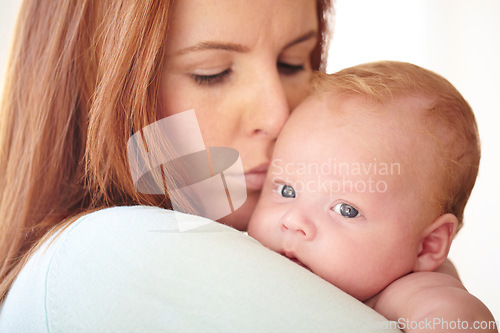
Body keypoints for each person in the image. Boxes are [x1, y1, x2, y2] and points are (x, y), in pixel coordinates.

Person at [0, 0, 407, 331]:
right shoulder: (114, 250)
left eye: (293, 63)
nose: (279, 115)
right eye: (211, 74)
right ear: (92, 87)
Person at [248, 61, 497, 332]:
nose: (293, 219)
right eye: (287, 190)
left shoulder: (409, 292)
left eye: (346, 210)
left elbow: (462, 319)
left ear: (426, 245)